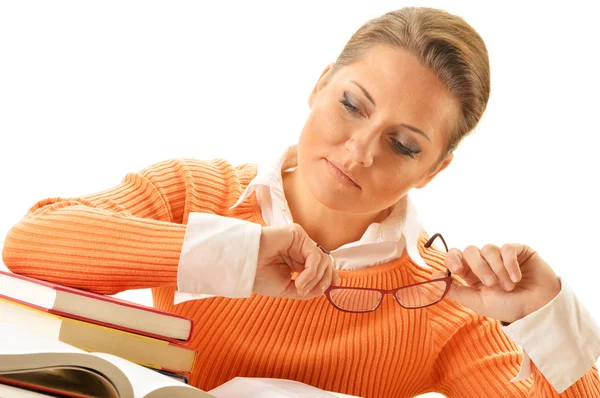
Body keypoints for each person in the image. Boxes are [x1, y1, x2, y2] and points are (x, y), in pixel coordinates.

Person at [2, 6, 599, 397]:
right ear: (319, 85)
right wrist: (237, 254)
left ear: (435, 171)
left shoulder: (447, 302)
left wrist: (546, 318)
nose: (361, 151)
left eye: (403, 144)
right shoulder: (197, 191)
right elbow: (32, 242)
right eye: (352, 104)